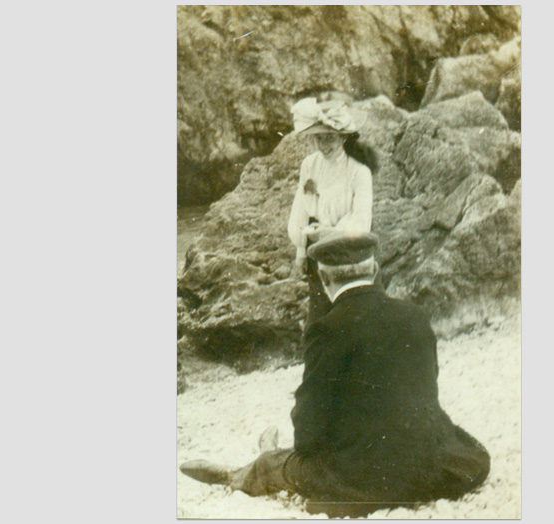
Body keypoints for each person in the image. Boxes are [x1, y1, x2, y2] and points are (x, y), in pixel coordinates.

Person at [180, 231, 490, 518]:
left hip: (368, 476)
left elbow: (309, 426)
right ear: (375, 269)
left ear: (324, 278)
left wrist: (306, 455)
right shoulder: (413, 314)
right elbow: (426, 387)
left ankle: (244, 471)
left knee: (285, 464)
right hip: (431, 462)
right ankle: (269, 454)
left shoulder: (328, 329)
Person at [286, 97, 375, 328]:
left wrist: (329, 232)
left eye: (330, 138)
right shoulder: (309, 165)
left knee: (355, 322)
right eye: (319, 138)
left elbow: (362, 222)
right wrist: (300, 254)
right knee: (320, 322)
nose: (324, 145)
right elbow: (301, 210)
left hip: (352, 255)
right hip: (319, 255)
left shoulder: (359, 172)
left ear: (343, 136)